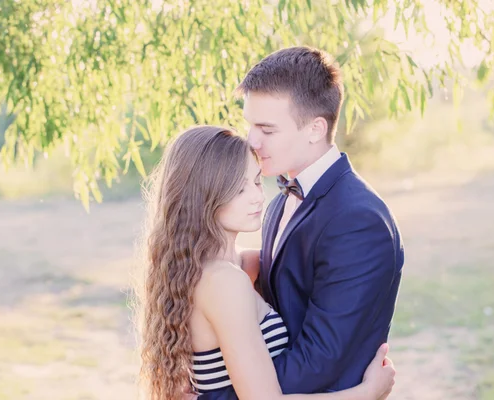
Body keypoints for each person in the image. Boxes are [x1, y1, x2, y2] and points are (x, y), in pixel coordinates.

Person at [198, 46, 405, 399]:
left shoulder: (358, 220)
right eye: (250, 124)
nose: (252, 139)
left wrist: (216, 393)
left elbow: (318, 362)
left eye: (267, 128)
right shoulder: (280, 202)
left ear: (314, 129)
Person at [136, 126, 396, 400]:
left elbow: (283, 262)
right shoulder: (224, 282)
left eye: (258, 181)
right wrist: (367, 393)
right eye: (238, 189)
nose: (258, 197)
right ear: (202, 198)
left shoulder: (219, 267)